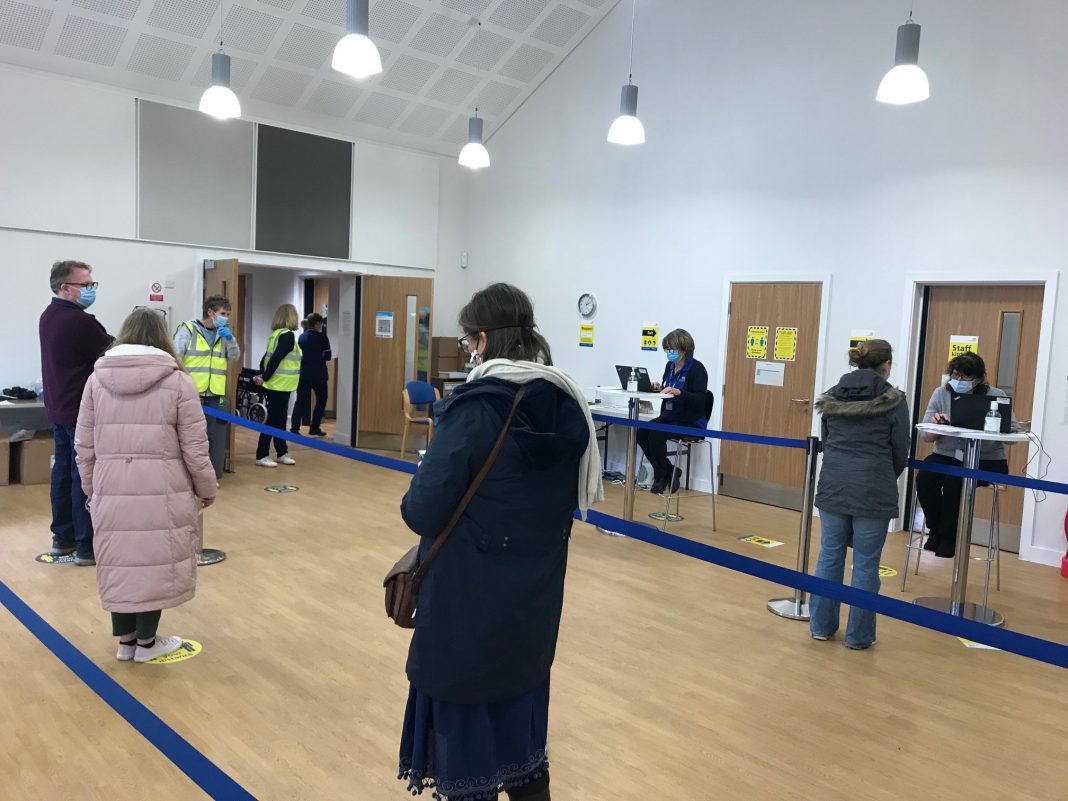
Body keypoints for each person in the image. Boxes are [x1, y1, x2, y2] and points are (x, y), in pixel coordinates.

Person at [398, 283, 602, 801]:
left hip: (467, 607)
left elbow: (421, 510)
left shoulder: (476, 409)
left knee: (467, 759)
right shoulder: (566, 406)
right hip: (533, 605)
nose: (467, 350)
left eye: (467, 341)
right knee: (523, 749)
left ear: (483, 340)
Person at [74, 308, 216, 663]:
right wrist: (207, 488)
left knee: (120, 561)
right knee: (154, 562)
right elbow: (196, 447)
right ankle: (148, 644)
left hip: (110, 487)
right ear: (162, 337)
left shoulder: (96, 381)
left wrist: (92, 488)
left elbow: (84, 445)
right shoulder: (179, 382)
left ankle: (126, 642)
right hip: (163, 489)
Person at [809, 340, 910, 650]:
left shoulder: (831, 397)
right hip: (873, 486)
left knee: (829, 555)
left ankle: (821, 627)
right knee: (866, 564)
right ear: (887, 365)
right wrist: (883, 475)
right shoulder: (895, 400)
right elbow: (900, 450)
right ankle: (858, 636)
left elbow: (827, 441)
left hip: (834, 483)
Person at [39, 260, 112, 566]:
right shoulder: (80, 322)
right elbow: (111, 353)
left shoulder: (48, 315)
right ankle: (86, 546)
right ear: (65, 287)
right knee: (83, 477)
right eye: (86, 284)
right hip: (80, 411)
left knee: (63, 474)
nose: (91, 289)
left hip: (58, 408)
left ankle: (63, 538)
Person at [916, 352, 1015, 558]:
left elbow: (1012, 435)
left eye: (965, 376)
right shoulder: (941, 393)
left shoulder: (996, 396)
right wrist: (938, 426)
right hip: (947, 454)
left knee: (955, 480)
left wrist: (994, 425)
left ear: (978, 378)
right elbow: (926, 436)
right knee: (925, 477)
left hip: (987, 459)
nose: (959, 380)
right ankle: (935, 530)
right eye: (955, 374)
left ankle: (949, 538)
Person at [173, 295, 241, 478]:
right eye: (223, 313)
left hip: (214, 394)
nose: (226, 318)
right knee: (189, 435)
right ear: (211, 312)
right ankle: (185, 475)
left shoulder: (224, 334)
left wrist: (230, 339)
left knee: (210, 436)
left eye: (227, 314)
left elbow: (234, 356)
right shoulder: (189, 329)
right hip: (191, 393)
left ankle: (206, 476)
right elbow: (176, 356)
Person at [636, 328, 709, 494]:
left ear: (684, 349)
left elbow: (700, 399)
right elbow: (668, 389)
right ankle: (669, 470)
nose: (669, 352)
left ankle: (660, 476)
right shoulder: (669, 366)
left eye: (672, 349)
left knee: (655, 435)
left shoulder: (697, 369)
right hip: (669, 416)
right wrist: (659, 388)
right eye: (667, 349)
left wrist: (679, 392)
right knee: (642, 433)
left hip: (689, 421)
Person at [253, 304, 301, 468]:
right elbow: (275, 359)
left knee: (279, 420)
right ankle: (262, 454)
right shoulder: (287, 336)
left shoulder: (275, 335)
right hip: (279, 385)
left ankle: (281, 452)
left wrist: (263, 375)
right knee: (274, 420)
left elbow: (265, 359)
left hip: (278, 384)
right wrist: (265, 377)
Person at [290, 312, 332, 437]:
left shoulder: (301, 337)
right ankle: (314, 427)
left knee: (300, 401)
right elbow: (328, 356)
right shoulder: (322, 337)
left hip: (303, 374)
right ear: (318, 323)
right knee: (322, 399)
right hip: (318, 374)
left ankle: (294, 428)